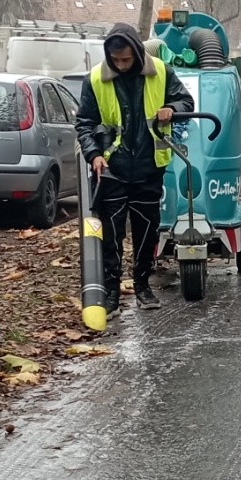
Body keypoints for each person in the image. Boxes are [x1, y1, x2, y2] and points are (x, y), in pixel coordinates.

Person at [76, 23, 195, 315]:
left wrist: (172, 109)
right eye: (116, 60)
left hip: (148, 167)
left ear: (138, 53)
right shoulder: (95, 79)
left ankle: (142, 284)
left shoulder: (161, 72)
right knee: (111, 235)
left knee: (146, 232)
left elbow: (186, 101)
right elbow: (84, 123)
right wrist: (93, 155)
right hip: (111, 170)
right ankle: (112, 292)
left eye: (127, 60)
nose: (121, 65)